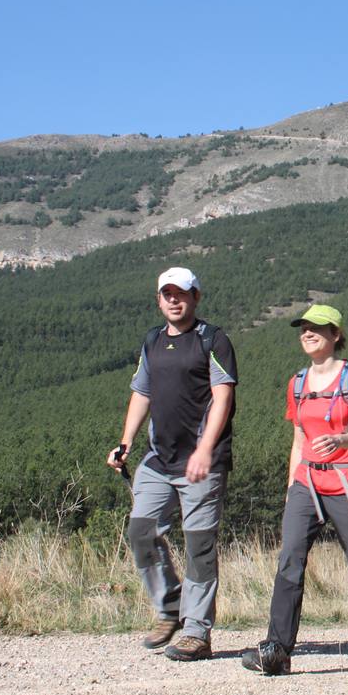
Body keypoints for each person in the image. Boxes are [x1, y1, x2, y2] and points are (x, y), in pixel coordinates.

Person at [242, 304, 348, 676]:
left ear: (335, 334)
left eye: (317, 327)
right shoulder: (297, 383)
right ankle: (277, 649)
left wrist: (341, 440)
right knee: (290, 561)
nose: (307, 333)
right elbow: (298, 440)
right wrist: (290, 488)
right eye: (303, 328)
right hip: (306, 483)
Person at [107, 267, 237, 662]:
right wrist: (126, 442)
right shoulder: (152, 341)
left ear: (196, 296)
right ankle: (169, 606)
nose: (174, 300)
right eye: (167, 294)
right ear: (158, 300)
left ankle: (197, 632)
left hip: (202, 463)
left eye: (181, 293)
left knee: (199, 547)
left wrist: (205, 449)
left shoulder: (212, 340)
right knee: (141, 531)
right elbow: (141, 392)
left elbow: (222, 397)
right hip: (158, 460)